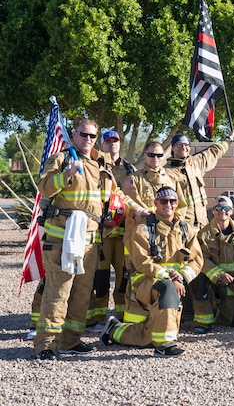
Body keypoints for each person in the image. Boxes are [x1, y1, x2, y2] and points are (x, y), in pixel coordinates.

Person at [33, 117, 146, 361]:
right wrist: (66, 175)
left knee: (83, 292)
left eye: (92, 136)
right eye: (83, 134)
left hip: (90, 240)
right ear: (74, 135)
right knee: (58, 291)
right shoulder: (63, 159)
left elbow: (116, 195)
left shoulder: (100, 165)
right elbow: (44, 187)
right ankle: (46, 345)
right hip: (62, 238)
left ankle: (70, 340)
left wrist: (137, 210)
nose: (87, 139)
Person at [101, 187, 204, 357]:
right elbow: (142, 262)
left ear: (177, 203)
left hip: (173, 283)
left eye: (172, 201)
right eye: (163, 201)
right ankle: (164, 346)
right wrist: (170, 278)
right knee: (167, 289)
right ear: (155, 203)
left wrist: (183, 276)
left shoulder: (186, 230)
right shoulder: (143, 228)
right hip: (145, 281)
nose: (168, 204)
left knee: (151, 334)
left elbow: (197, 260)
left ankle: (115, 330)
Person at [86, 130, 137, 330]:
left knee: (124, 275)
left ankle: (122, 314)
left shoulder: (130, 169)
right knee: (100, 275)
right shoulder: (96, 166)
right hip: (102, 233)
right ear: (102, 145)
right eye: (108, 142)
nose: (112, 145)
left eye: (115, 141)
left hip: (124, 232)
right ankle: (96, 317)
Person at [191, 196, 234, 334]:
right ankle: (203, 322)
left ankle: (221, 312)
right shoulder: (203, 234)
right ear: (213, 211)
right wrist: (219, 275)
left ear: (231, 210)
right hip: (213, 279)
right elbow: (201, 259)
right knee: (199, 279)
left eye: (226, 208)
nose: (222, 211)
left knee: (233, 321)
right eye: (218, 208)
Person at [166, 130, 234, 233]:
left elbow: (215, 152)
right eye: (179, 144)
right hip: (182, 228)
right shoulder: (166, 172)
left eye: (186, 144)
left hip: (203, 226)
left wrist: (228, 139)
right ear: (172, 147)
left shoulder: (196, 163)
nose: (183, 147)